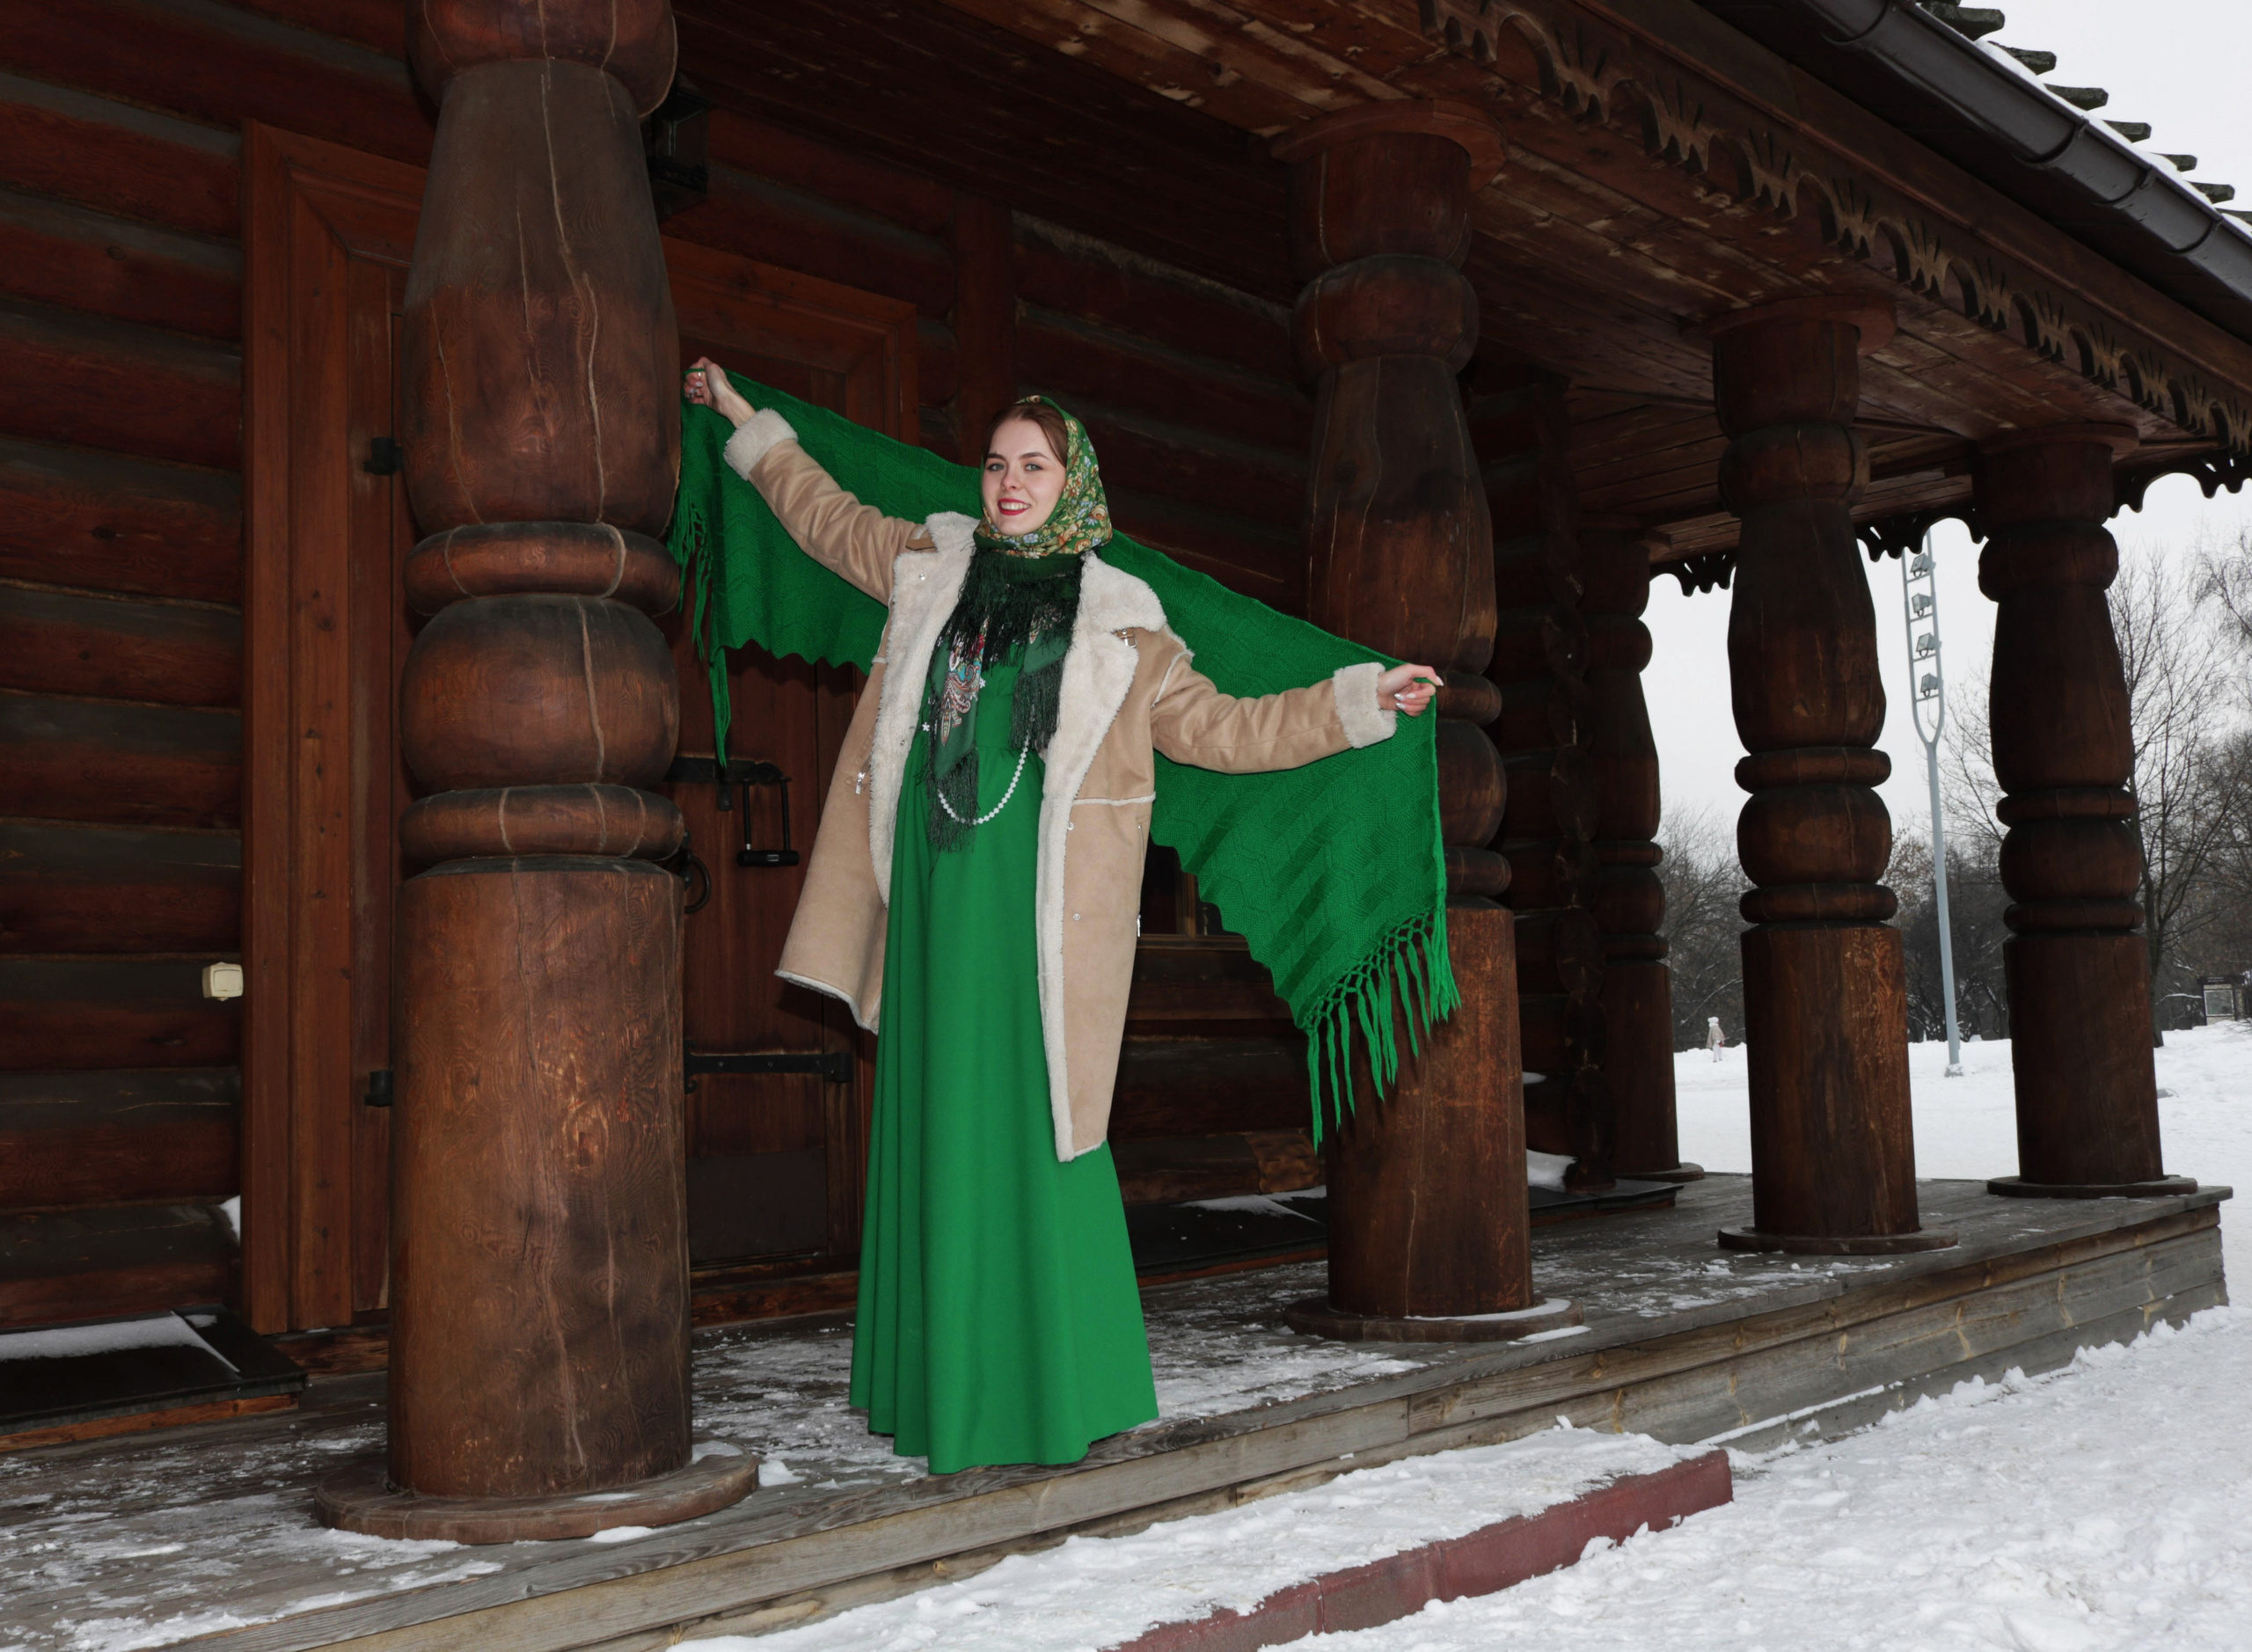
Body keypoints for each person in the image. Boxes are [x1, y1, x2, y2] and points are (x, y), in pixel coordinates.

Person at [684, 361, 1436, 1473]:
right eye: (995, 464)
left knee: (1038, 1123)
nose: (1008, 482)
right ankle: (933, 1381)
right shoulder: (929, 569)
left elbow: (1225, 732)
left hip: (1037, 912)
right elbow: (823, 519)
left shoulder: (1126, 627)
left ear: (1073, 479)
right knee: (940, 1113)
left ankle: (1048, 1385)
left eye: (1032, 464)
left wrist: (1357, 703)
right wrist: (749, 428)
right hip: (936, 890)